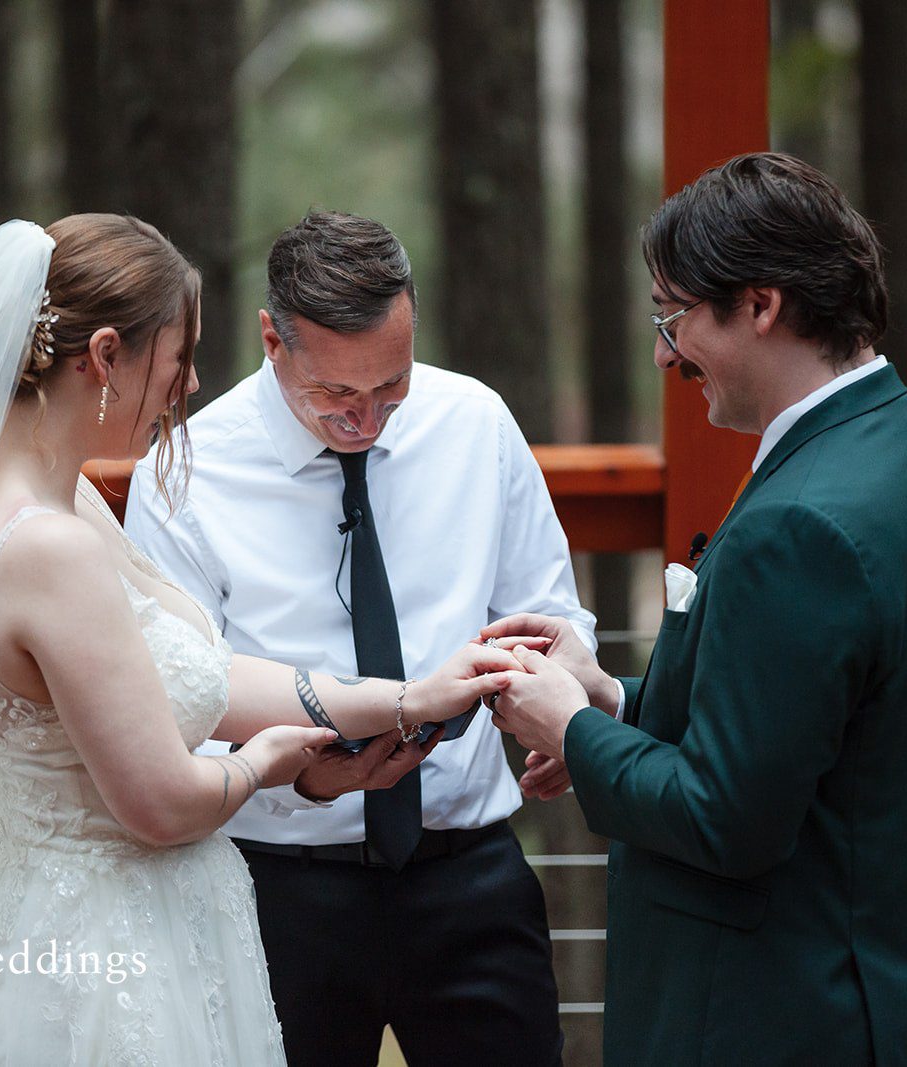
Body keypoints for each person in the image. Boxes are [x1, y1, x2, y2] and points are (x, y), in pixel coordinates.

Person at [0, 215, 522, 1065]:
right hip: (105, 966)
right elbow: (161, 802)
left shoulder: (60, 504)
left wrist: (404, 698)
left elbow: (202, 674)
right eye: (175, 360)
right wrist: (274, 762)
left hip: (128, 927)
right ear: (105, 356)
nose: (188, 386)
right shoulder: (45, 546)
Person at [487, 154, 907, 1064]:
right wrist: (614, 699)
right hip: (898, 990)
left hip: (787, 1013)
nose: (661, 352)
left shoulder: (801, 521)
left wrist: (571, 731)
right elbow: (803, 726)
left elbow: (726, 818)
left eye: (674, 316)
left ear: (761, 305)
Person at [125, 211, 591, 1066]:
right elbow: (175, 691)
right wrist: (300, 767)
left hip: (471, 875)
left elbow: (553, 611)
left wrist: (563, 701)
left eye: (392, 388)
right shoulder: (183, 476)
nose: (367, 419)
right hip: (277, 887)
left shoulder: (476, 424)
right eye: (337, 396)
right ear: (272, 339)